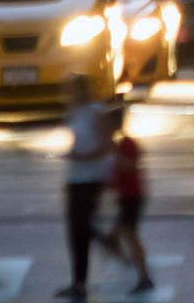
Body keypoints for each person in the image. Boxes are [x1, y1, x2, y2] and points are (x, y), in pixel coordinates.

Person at [57, 76, 113, 299]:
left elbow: (106, 144)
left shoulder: (95, 112)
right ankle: (78, 282)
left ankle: (111, 246)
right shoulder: (73, 112)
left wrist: (83, 157)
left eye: (70, 89)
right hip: (75, 178)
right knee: (76, 232)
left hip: (91, 178)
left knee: (83, 228)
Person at [99, 106, 154, 292]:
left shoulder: (126, 144)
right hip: (126, 196)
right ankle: (134, 265)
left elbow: (130, 167)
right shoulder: (118, 145)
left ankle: (143, 274)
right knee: (123, 234)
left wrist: (113, 151)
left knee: (130, 235)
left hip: (132, 196)